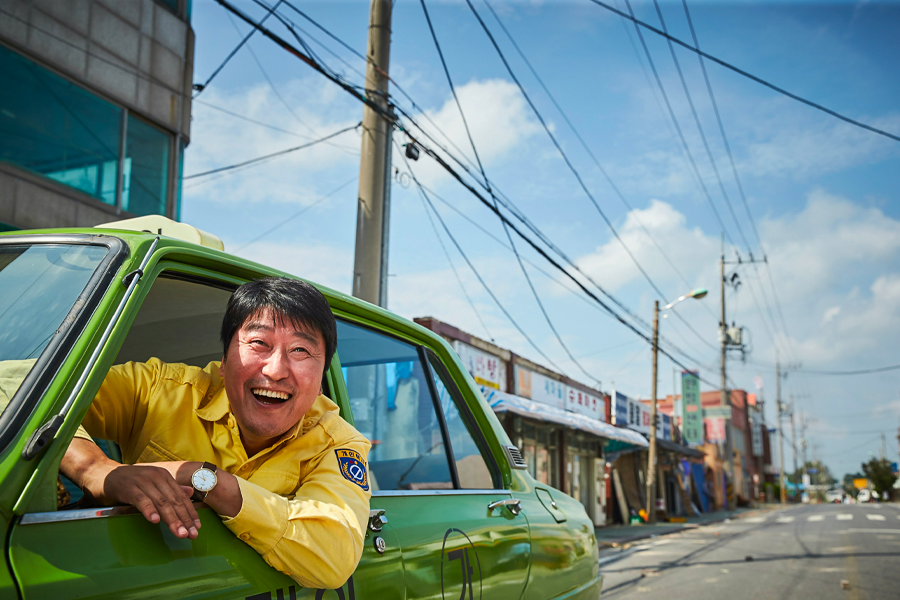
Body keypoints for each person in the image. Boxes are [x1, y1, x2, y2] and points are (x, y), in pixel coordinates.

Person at [60, 277, 371, 589]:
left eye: (301, 350)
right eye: (259, 343)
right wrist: (96, 470)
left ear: (320, 383)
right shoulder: (159, 390)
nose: (275, 370)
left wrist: (205, 479)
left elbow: (333, 558)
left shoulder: (339, 442)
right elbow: (16, 386)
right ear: (223, 361)